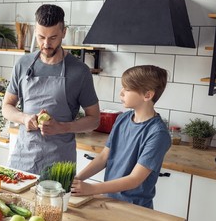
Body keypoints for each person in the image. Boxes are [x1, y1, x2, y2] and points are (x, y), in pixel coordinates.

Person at [2, 4, 100, 174]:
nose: (46, 44)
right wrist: (24, 118)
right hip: (23, 159)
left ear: (64, 32)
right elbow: (7, 107)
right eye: (41, 37)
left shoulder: (80, 71)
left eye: (53, 37)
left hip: (59, 164)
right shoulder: (23, 64)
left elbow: (94, 119)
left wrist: (62, 127)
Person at [71, 65, 171, 209]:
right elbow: (103, 157)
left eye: (127, 89)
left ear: (147, 95)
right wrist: (77, 179)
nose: (121, 93)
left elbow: (135, 179)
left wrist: (91, 189)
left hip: (135, 207)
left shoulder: (158, 134)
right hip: (109, 201)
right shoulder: (122, 119)